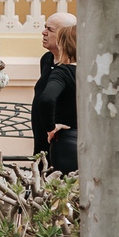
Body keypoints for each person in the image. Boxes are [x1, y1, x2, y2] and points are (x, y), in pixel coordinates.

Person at [32, 10, 78, 175]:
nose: (44, 32)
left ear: (64, 34)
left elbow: (48, 98)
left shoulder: (68, 70)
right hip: (41, 138)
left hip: (60, 140)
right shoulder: (46, 60)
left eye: (50, 29)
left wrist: (51, 127)